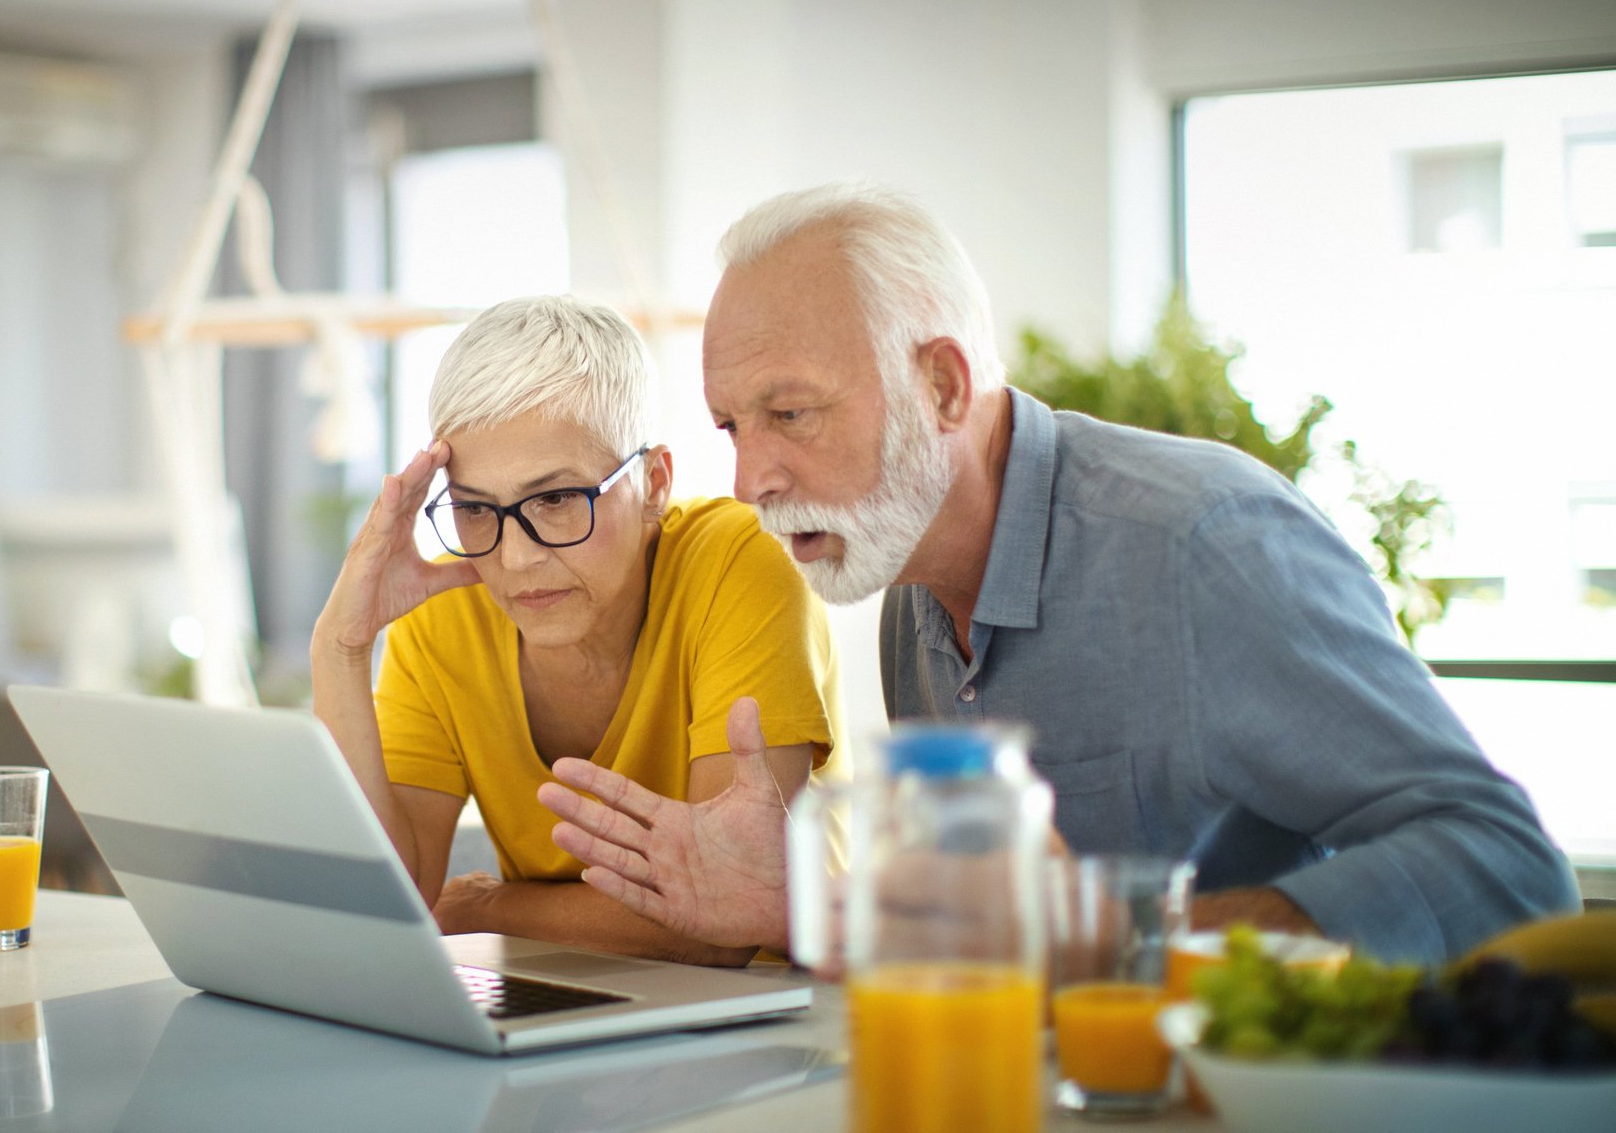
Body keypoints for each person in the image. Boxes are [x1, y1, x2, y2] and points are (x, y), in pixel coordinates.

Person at [539, 182, 1578, 966]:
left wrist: (1139, 941)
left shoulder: (1201, 547)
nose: (752, 476)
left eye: (791, 413)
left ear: (942, 384)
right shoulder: (911, 584)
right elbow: (992, 943)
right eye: (732, 425)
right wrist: (800, 905)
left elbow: (1510, 871)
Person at [311, 294, 840, 965]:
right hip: (562, 1003)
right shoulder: (445, 606)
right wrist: (340, 646)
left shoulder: (740, 560)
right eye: (475, 509)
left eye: (557, 500)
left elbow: (722, 920)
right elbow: (391, 905)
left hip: (771, 1021)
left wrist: (483, 910)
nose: (515, 557)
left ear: (652, 483)